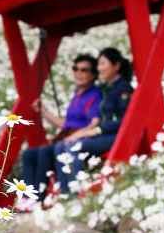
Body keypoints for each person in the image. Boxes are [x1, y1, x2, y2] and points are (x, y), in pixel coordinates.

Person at [17, 55, 102, 210]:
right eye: (76, 68)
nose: (79, 73)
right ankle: (25, 196)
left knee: (44, 152)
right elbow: (66, 124)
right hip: (67, 136)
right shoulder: (77, 94)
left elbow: (94, 123)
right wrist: (44, 112)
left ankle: (37, 198)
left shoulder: (95, 96)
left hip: (77, 139)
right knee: (29, 154)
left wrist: (77, 135)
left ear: (93, 75)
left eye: (84, 70)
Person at [55, 47, 134, 194]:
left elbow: (124, 120)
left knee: (73, 148)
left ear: (116, 66)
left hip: (115, 135)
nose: (99, 69)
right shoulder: (104, 88)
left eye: (103, 64)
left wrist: (95, 131)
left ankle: (77, 193)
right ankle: (66, 194)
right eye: (98, 64)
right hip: (103, 133)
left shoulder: (124, 88)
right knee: (61, 146)